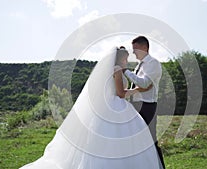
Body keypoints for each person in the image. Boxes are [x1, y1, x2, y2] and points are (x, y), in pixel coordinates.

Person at [19, 46, 162, 169]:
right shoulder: (118, 70)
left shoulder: (112, 70)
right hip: (117, 105)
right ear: (120, 59)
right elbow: (120, 93)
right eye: (125, 59)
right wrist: (138, 90)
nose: (127, 61)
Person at [123, 36, 166, 169]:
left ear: (144, 47)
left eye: (135, 49)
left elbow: (144, 83)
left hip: (147, 106)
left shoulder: (153, 63)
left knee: (151, 140)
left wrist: (125, 71)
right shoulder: (140, 65)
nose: (133, 52)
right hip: (137, 105)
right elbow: (140, 86)